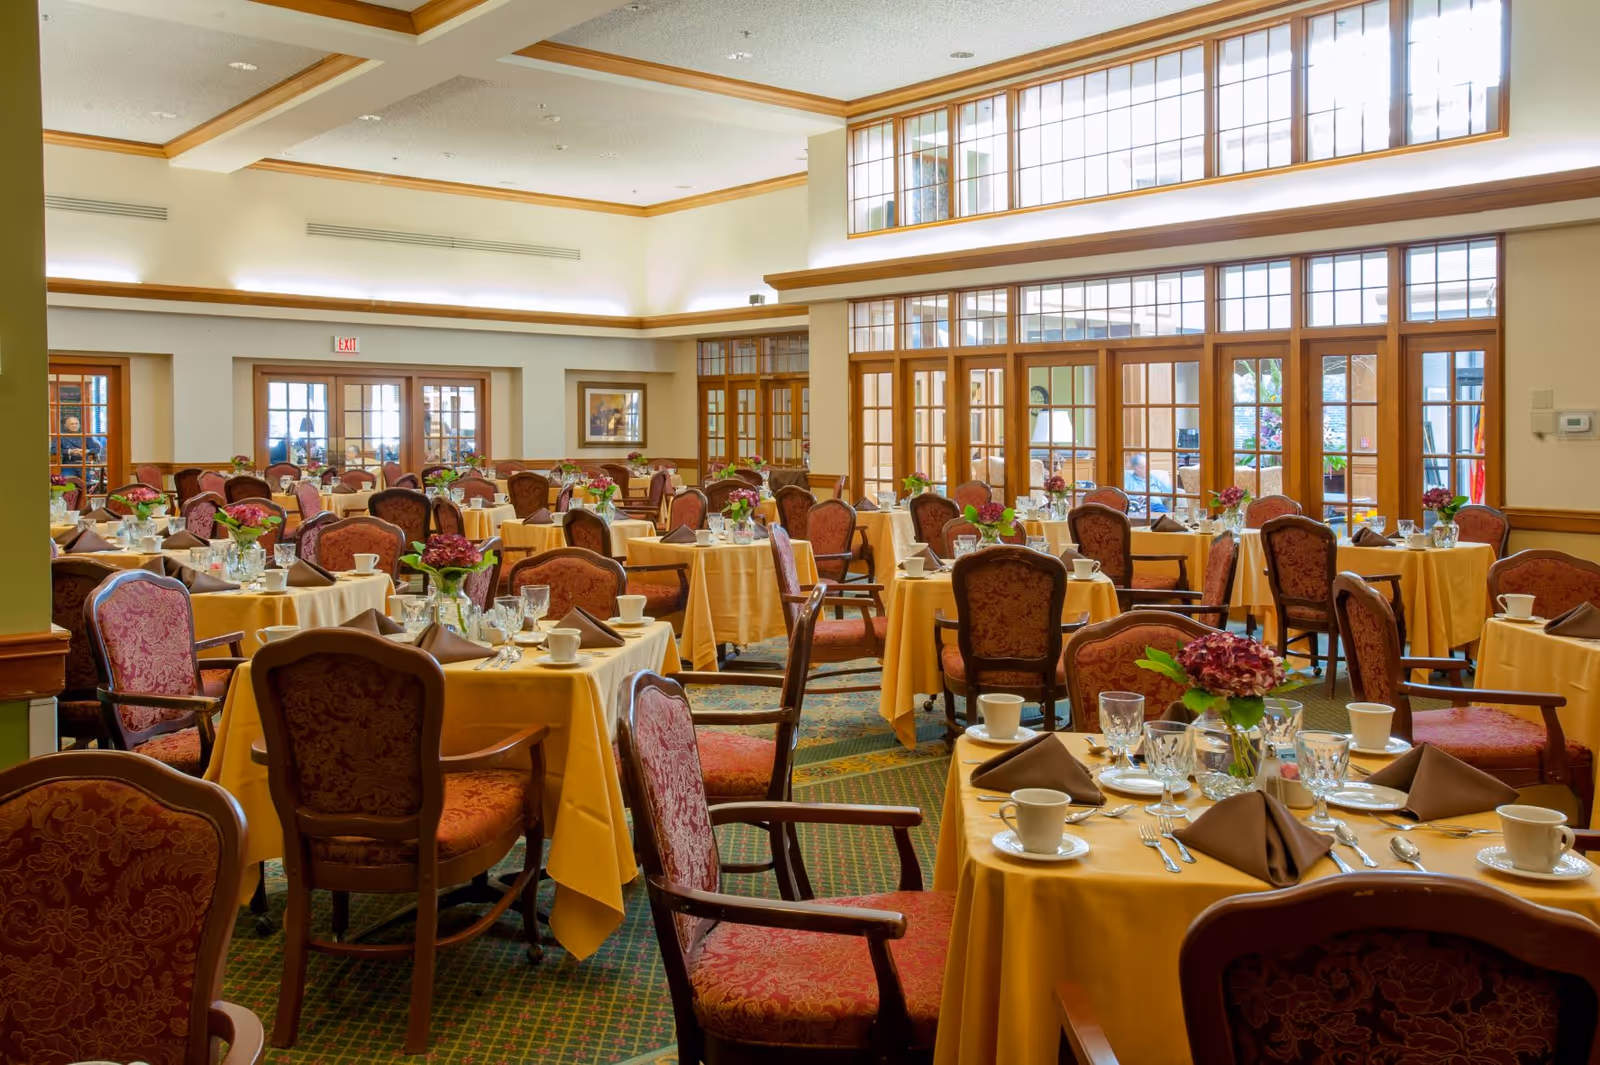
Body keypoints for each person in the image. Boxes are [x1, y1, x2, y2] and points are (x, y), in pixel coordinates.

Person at [52, 414, 104, 484]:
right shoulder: (60, 437)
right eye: (72, 424)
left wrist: (86, 451)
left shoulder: (86, 436)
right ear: (65, 426)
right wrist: (70, 451)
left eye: (76, 423)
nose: (74, 426)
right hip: (68, 466)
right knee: (66, 484)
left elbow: (96, 449)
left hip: (84, 467)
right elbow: (54, 451)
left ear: (79, 425)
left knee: (88, 485)